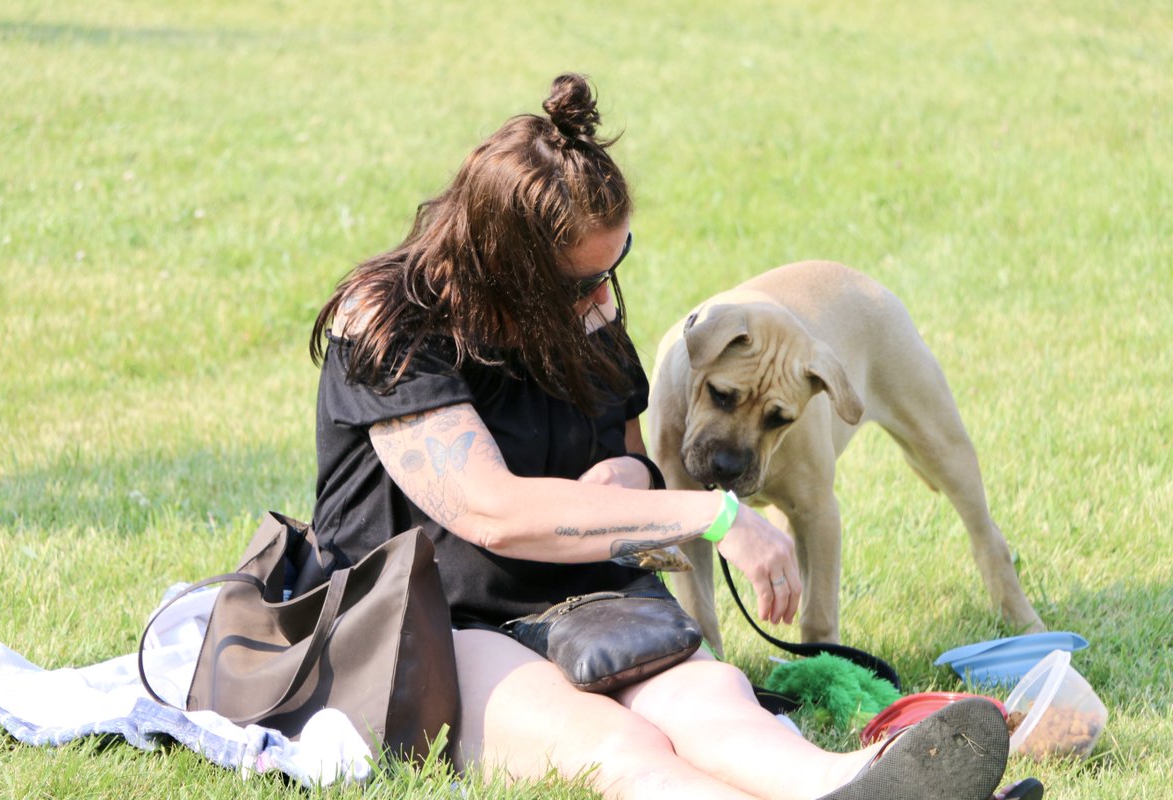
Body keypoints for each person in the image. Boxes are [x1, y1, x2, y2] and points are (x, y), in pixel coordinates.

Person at [307, 73, 1027, 800]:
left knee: (717, 707)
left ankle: (859, 782)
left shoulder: (586, 317)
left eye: (612, 269)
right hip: (431, 620)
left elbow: (631, 465)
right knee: (619, 747)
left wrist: (631, 482)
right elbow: (492, 511)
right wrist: (715, 515)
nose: (600, 300)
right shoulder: (388, 322)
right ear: (506, 263)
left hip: (578, 593)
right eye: (577, 284)